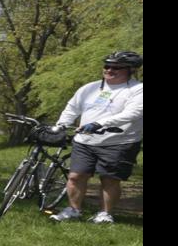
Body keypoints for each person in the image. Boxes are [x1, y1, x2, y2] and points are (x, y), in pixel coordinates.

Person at [50, 50, 144, 224]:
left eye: (116, 67)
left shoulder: (137, 90)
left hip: (119, 142)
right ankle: (73, 210)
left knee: (109, 179)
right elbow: (72, 108)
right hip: (84, 141)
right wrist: (61, 124)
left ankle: (104, 214)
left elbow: (132, 113)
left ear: (131, 70)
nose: (109, 70)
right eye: (107, 66)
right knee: (75, 176)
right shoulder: (90, 88)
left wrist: (99, 123)